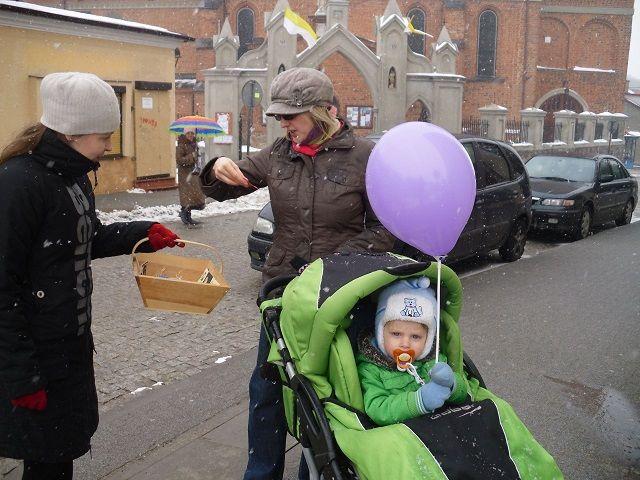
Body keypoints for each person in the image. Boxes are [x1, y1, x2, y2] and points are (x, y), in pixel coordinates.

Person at [199, 67, 395, 480]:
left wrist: (334, 262)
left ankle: (320, 471)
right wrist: (215, 168)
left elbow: (384, 230)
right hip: (284, 295)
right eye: (279, 117)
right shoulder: (277, 154)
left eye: (292, 116)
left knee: (328, 394)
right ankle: (262, 473)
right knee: (267, 388)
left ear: (324, 111)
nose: (284, 124)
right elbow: (224, 185)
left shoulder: (366, 158)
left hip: (339, 294)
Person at [0, 72, 181, 479]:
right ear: (72, 133)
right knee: (44, 463)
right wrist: (22, 376)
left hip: (70, 348)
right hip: (35, 356)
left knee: (59, 455)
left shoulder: (74, 174)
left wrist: (142, 234)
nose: (108, 145)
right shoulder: (20, 183)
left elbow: (85, 238)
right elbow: (3, 287)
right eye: (103, 136)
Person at [356, 277, 469, 426]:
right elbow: (378, 409)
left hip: (443, 424)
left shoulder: (433, 360)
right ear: (380, 333)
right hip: (404, 434)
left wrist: (453, 384)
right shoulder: (370, 368)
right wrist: (418, 402)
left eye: (415, 336)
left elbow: (464, 395)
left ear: (428, 340)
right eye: (396, 334)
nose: (405, 344)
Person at [176, 127, 206, 225]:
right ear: (185, 134)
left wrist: (197, 156)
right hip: (185, 175)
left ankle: (188, 216)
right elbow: (179, 160)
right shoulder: (181, 145)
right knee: (187, 195)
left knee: (192, 196)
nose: (190, 135)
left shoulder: (194, 144)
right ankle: (184, 214)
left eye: (192, 133)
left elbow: (196, 158)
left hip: (193, 173)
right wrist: (192, 156)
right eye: (188, 133)